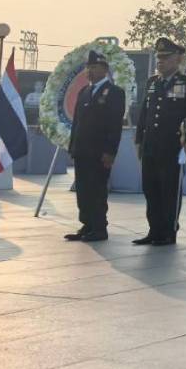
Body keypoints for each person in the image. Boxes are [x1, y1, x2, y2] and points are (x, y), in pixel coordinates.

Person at [133, 38, 186, 246]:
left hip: (173, 146)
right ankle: (154, 230)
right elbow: (144, 113)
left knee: (169, 189)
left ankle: (169, 231)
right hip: (151, 145)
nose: (160, 62)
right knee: (150, 188)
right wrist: (139, 139)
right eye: (158, 58)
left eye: (165, 58)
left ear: (177, 59)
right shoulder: (152, 82)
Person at [63, 51, 126, 242]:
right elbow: (77, 124)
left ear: (105, 70)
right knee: (83, 190)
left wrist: (110, 152)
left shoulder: (114, 93)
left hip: (99, 153)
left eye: (94, 67)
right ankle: (87, 224)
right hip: (82, 151)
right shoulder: (84, 92)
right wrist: (73, 147)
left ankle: (99, 227)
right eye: (88, 68)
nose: (90, 71)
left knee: (97, 189)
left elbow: (115, 125)